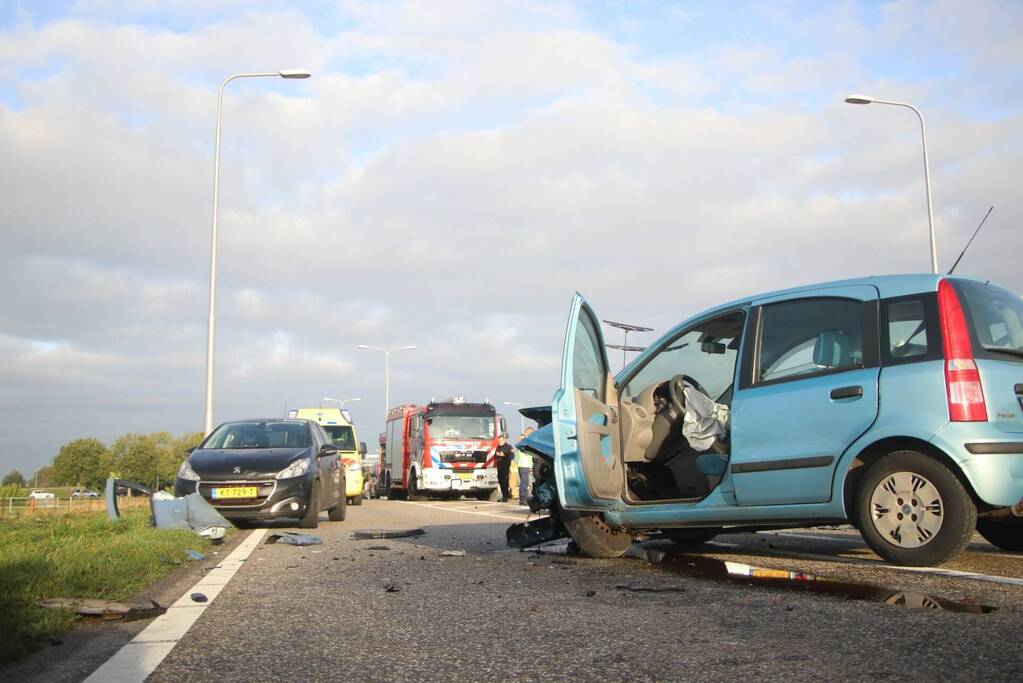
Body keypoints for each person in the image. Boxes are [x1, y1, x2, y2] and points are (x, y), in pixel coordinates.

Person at [516, 428, 535, 505]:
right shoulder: (525, 441)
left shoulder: (523, 441)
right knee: (524, 482)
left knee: (524, 482)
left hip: (524, 464)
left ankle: (523, 498)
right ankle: (523, 499)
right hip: (524, 464)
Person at [495, 434, 515, 502]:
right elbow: (495, 456)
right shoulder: (498, 447)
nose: (499, 442)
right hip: (499, 466)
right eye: (499, 441)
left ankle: (505, 496)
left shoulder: (508, 447)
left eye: (500, 440)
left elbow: (512, 456)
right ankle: (505, 495)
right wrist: (497, 455)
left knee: (505, 481)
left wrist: (504, 455)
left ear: (504, 439)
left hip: (505, 466)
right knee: (500, 481)